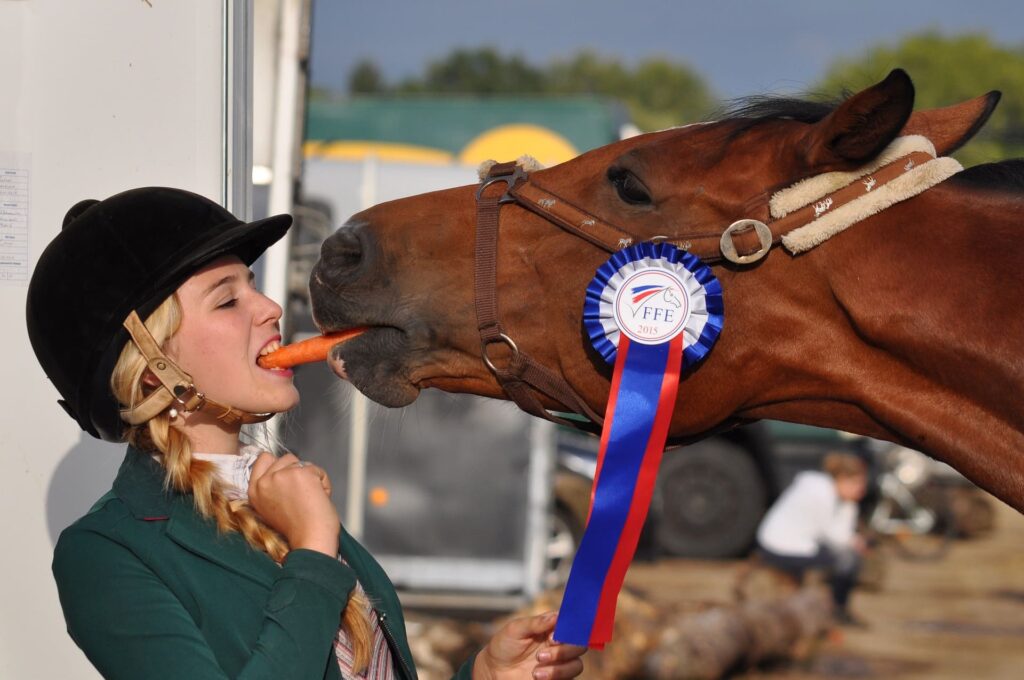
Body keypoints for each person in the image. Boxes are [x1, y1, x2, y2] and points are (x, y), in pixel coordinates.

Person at [26, 187, 586, 680]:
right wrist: (314, 551)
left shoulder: (279, 486)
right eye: (227, 300)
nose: (270, 308)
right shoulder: (106, 553)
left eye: (252, 287)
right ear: (153, 367)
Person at [754, 452, 869, 626]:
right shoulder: (819, 493)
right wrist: (855, 541)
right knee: (847, 560)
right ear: (842, 478)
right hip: (779, 546)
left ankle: (833, 608)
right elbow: (833, 536)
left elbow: (838, 533)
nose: (861, 490)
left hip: (795, 544)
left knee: (845, 556)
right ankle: (837, 609)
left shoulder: (836, 496)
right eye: (857, 483)